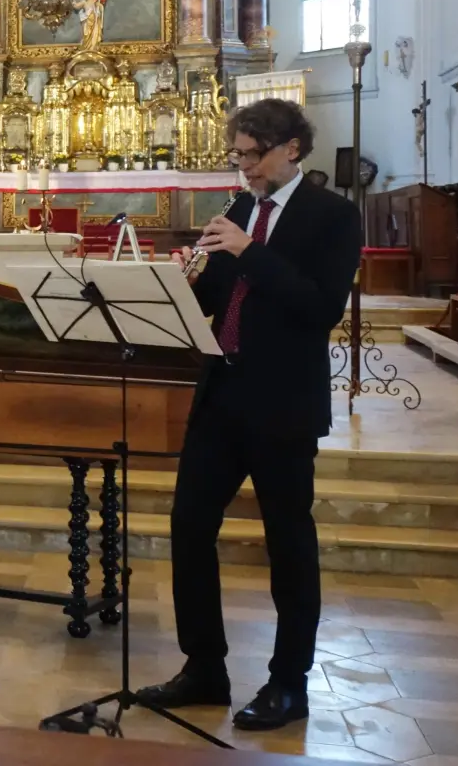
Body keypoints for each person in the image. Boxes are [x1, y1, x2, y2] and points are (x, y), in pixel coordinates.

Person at [137, 99, 362, 730]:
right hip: (222, 393)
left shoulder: (333, 216)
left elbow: (319, 308)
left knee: (288, 543)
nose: (244, 170)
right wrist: (188, 276)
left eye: (252, 155)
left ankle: (289, 683)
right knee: (188, 527)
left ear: (292, 147)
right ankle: (204, 667)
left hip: (283, 404)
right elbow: (217, 298)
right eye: (237, 156)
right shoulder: (240, 208)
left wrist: (248, 250)